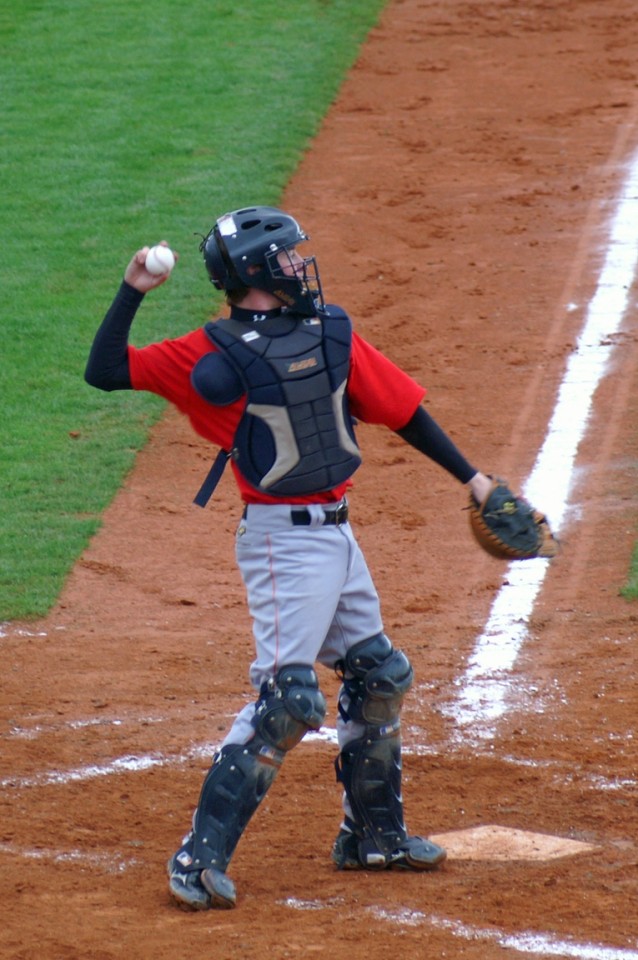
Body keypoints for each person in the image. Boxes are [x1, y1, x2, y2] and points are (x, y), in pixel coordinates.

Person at [85, 205, 493, 911]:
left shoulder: (330, 331)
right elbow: (106, 370)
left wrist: (476, 480)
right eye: (287, 257)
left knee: (379, 674)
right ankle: (197, 860)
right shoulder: (208, 356)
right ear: (255, 270)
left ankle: (372, 837)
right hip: (283, 542)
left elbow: (402, 411)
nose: (302, 265)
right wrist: (132, 291)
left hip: (337, 534)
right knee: (289, 700)